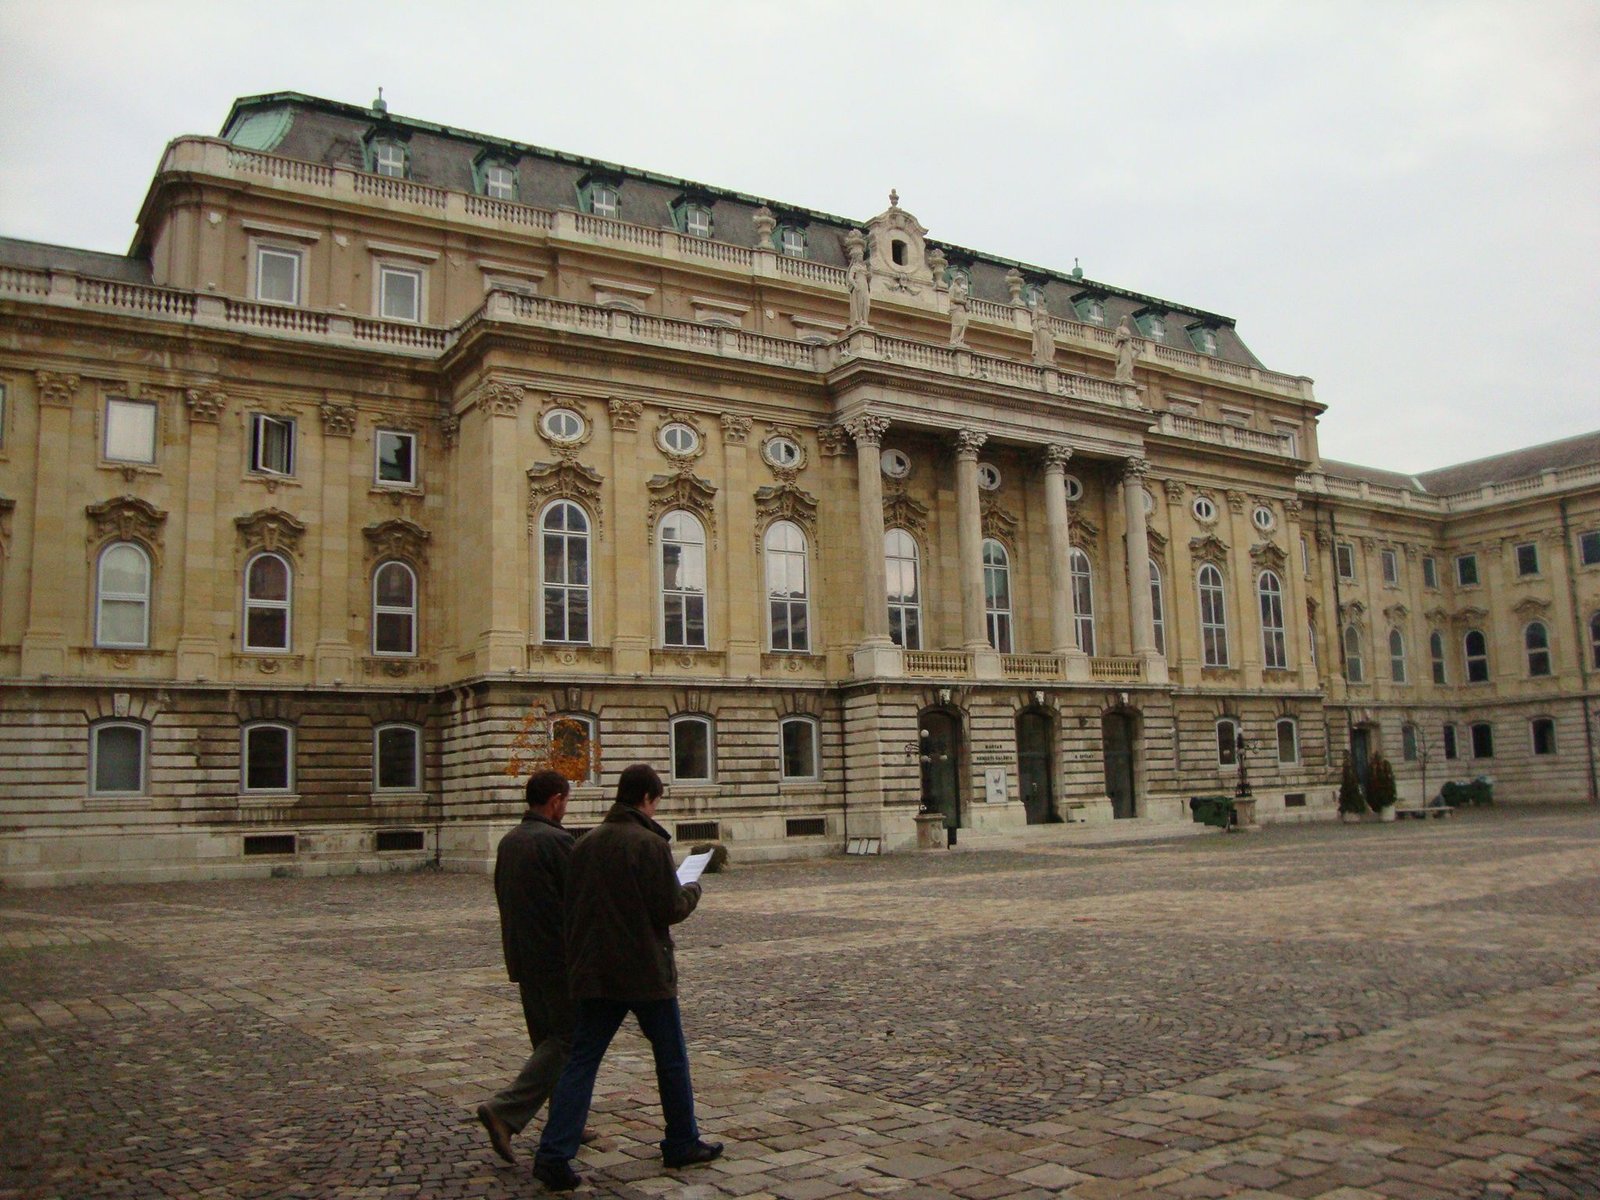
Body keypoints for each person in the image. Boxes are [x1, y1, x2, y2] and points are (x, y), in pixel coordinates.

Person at [531, 764, 720, 1191]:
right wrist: (692, 889)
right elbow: (668, 908)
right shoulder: (648, 844)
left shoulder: (585, 843)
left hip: (596, 971)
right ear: (648, 799)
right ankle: (681, 1140)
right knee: (670, 1057)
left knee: (582, 1061)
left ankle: (553, 1151)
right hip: (643, 970)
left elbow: (572, 909)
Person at [476, 770, 595, 1163]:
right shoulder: (558, 841)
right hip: (557, 958)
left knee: (548, 1039)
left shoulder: (510, 841)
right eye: (566, 801)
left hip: (523, 957)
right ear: (556, 800)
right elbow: (579, 899)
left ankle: (566, 1122)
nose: (566, 808)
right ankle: (505, 1111)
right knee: (568, 1041)